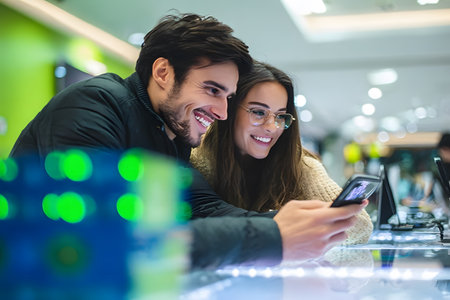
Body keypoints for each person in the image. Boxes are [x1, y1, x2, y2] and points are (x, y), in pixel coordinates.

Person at [10, 13, 367, 269]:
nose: (222, 113)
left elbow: (205, 207)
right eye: (212, 90)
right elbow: (105, 239)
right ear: (163, 73)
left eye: (227, 96)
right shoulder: (93, 104)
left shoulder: (171, 134)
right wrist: (272, 237)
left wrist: (291, 225)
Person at [191, 61, 372, 244]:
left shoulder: (300, 164)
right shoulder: (194, 158)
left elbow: (360, 225)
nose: (271, 127)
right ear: (228, 110)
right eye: (259, 112)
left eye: (280, 116)